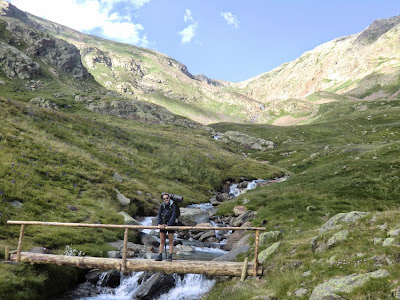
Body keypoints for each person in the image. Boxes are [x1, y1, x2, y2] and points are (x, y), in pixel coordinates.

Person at [155, 192, 178, 261]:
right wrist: (159, 223)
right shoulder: (162, 206)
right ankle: (160, 255)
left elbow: (173, 216)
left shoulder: (173, 206)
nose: (166, 199)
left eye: (167, 198)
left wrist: (169, 224)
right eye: (164, 199)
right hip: (163, 225)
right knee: (162, 241)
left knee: (171, 241)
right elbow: (158, 215)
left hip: (171, 225)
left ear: (169, 198)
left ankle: (170, 256)